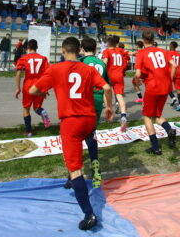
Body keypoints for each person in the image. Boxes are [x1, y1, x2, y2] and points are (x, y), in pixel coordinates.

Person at [29, 37, 113, 231]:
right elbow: (107, 87)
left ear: (63, 50)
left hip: (71, 122)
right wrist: (109, 107)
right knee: (90, 144)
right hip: (89, 118)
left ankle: (88, 213)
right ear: (79, 50)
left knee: (75, 168)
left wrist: (42, 93)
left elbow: (33, 89)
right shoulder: (89, 69)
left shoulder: (56, 68)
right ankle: (95, 170)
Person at [134, 31, 177, 154]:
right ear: (153, 40)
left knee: (147, 116)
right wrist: (170, 79)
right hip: (165, 86)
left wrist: (137, 81)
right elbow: (174, 65)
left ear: (143, 41)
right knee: (157, 115)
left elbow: (137, 73)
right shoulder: (164, 51)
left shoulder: (141, 53)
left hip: (153, 86)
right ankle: (169, 129)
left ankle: (155, 146)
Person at [77, 37, 110, 188]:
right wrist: (108, 105)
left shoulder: (81, 62)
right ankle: (95, 166)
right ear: (96, 49)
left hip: (83, 100)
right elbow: (106, 86)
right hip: (97, 101)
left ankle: (74, 173)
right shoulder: (102, 63)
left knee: (76, 135)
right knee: (91, 133)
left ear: (82, 48)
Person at [15, 39, 51, 136]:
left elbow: (18, 74)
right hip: (39, 85)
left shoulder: (24, 58)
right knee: (37, 107)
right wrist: (45, 88)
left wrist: (18, 88)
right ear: (37, 47)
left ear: (27, 48)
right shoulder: (43, 58)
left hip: (28, 85)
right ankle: (42, 112)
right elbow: (48, 74)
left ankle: (28, 131)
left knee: (26, 108)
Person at [102, 35, 129, 132]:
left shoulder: (106, 51)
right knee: (120, 96)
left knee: (106, 94)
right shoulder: (120, 50)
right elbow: (127, 54)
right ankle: (123, 116)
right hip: (119, 75)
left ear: (107, 43)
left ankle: (109, 113)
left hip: (110, 75)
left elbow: (105, 61)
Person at [167, 41, 180, 111]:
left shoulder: (168, 53)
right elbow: (179, 64)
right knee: (178, 88)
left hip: (171, 71)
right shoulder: (179, 54)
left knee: (167, 86)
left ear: (171, 46)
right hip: (178, 71)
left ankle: (173, 97)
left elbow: (167, 63)